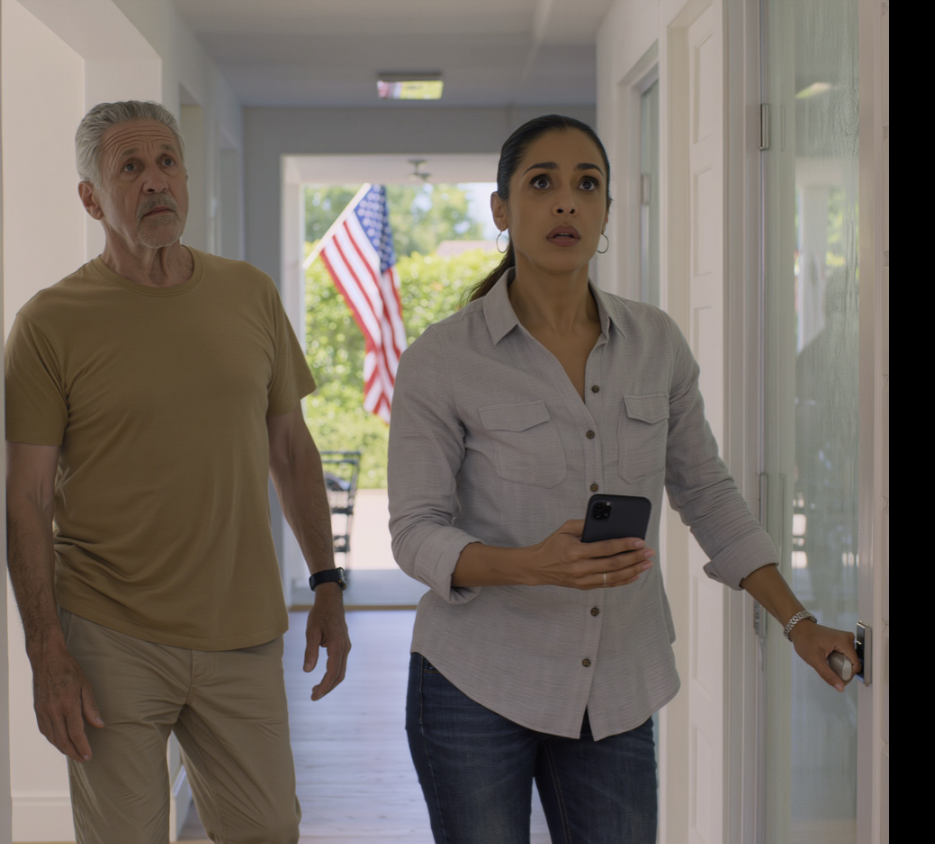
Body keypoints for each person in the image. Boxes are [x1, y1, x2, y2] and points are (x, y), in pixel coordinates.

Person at [387, 114, 860, 844]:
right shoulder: (442, 358)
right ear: (501, 209)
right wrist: (531, 564)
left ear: (607, 211)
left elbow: (706, 491)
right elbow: (415, 532)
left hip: (614, 688)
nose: (566, 201)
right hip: (474, 684)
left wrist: (796, 622)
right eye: (541, 183)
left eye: (587, 184)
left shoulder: (655, 342)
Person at [5, 101, 351, 844]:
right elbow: (27, 497)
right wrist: (45, 651)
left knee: (268, 831)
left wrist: (327, 583)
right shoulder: (48, 323)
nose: (155, 181)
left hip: (243, 629)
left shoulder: (250, 293)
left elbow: (292, 451)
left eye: (167, 162)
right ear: (92, 199)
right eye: (129, 167)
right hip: (109, 632)